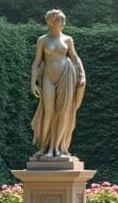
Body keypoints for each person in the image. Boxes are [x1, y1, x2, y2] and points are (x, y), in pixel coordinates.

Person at [30, 9, 85, 159]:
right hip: (48, 78)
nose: (61, 23)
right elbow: (36, 62)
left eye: (62, 20)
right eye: (59, 20)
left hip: (66, 77)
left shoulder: (68, 40)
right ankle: (44, 147)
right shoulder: (43, 40)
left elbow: (75, 58)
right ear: (51, 22)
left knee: (63, 112)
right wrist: (33, 83)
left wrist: (82, 74)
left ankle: (57, 148)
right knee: (48, 113)